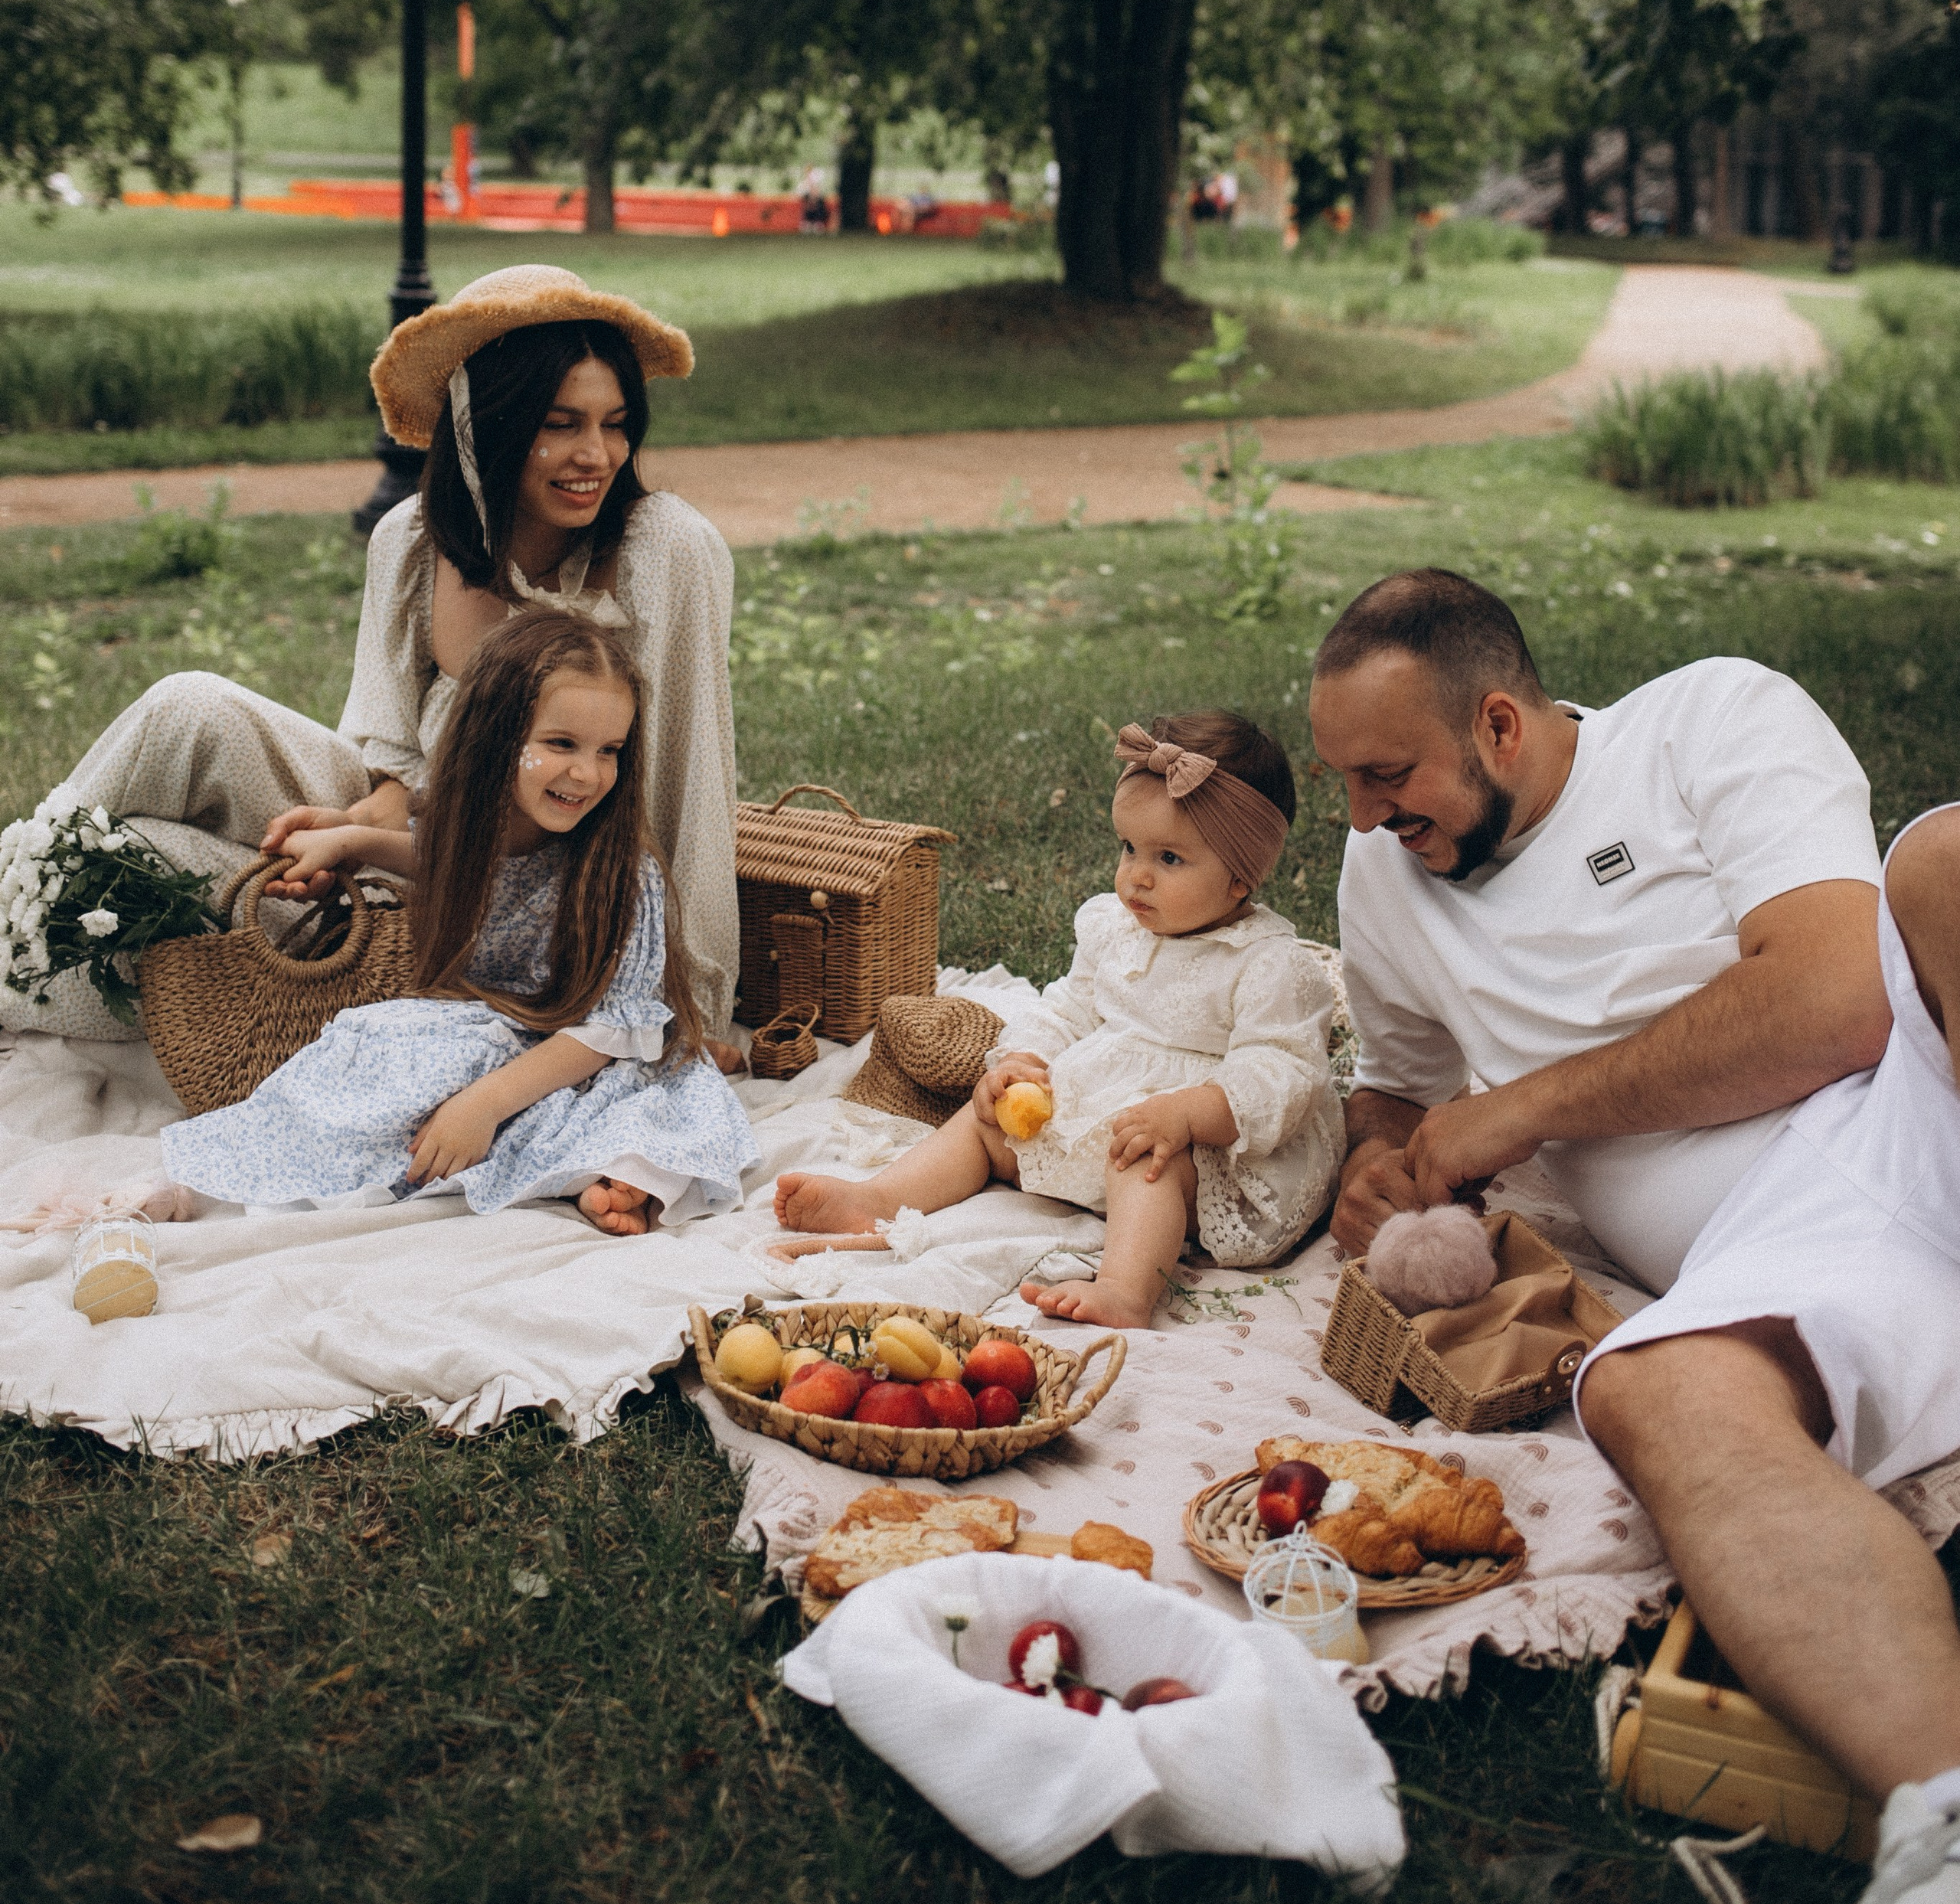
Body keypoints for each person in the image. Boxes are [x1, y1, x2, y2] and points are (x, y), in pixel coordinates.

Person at [1309, 569, 1960, 1904]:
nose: (1360, 817)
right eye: (1344, 782)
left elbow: (1840, 1001)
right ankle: (1946, 1845)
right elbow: (1395, 1093)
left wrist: (1521, 1110)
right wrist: (1377, 1163)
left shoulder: (1710, 719)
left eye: (1387, 777)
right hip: (1789, 1252)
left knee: (1946, 863)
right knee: (1648, 1395)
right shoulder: (1384, 877)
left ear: (1497, 724)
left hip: (1923, 1090)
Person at [12, 266, 742, 1049]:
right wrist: (362, 822)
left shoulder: (664, 549)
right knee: (183, 710)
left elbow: (687, 788)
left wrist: (685, 999)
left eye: (616, 424)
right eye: (560, 424)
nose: (596, 454)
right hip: (403, 843)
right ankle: (16, 883)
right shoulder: (412, 538)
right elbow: (383, 754)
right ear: (487, 422)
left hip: (516, 899)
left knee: (156, 871)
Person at [158, 612, 758, 1233]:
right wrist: (353, 840)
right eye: (562, 744)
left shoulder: (625, 874)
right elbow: (449, 862)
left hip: (587, 1051)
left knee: (653, 1109)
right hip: (492, 1029)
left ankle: (615, 1178)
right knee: (369, 1046)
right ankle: (595, 1174)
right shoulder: (480, 827)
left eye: (609, 751)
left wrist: (484, 1106)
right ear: (498, 738)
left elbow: (611, 1033)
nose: (587, 773)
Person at [773, 712, 1344, 1328]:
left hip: (1213, 1155)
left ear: (1241, 876)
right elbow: (1070, 1009)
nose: (1137, 875)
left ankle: (1124, 1290)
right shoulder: (1116, 929)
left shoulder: (1268, 965)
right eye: (1129, 848)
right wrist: (1024, 1061)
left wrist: (1190, 1113)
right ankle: (880, 1198)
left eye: (1169, 858)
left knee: (1143, 1164)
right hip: (1118, 1101)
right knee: (987, 1122)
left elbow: (1283, 1072)